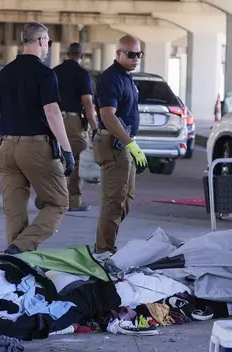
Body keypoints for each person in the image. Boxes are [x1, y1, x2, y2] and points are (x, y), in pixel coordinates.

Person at [0, 22, 75, 255]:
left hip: (6, 146)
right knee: (58, 203)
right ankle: (19, 249)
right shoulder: (45, 74)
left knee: (14, 211)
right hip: (35, 146)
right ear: (40, 41)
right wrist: (67, 151)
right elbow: (52, 112)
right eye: (47, 40)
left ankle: (16, 264)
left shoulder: (4, 73)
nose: (47, 45)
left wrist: (4, 142)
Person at [93, 35, 148, 254]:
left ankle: (105, 244)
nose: (136, 58)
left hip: (124, 144)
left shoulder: (126, 77)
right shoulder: (111, 78)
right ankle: (104, 250)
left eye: (139, 54)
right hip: (114, 144)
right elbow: (107, 115)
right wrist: (130, 143)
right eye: (131, 54)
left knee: (126, 199)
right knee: (114, 201)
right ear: (118, 54)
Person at [51, 42, 98, 212]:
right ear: (82, 55)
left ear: (67, 53)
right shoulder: (82, 74)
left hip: (53, 119)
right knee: (76, 160)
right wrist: (94, 127)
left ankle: (48, 198)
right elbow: (87, 103)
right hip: (73, 122)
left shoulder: (54, 72)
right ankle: (73, 201)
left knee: (54, 158)